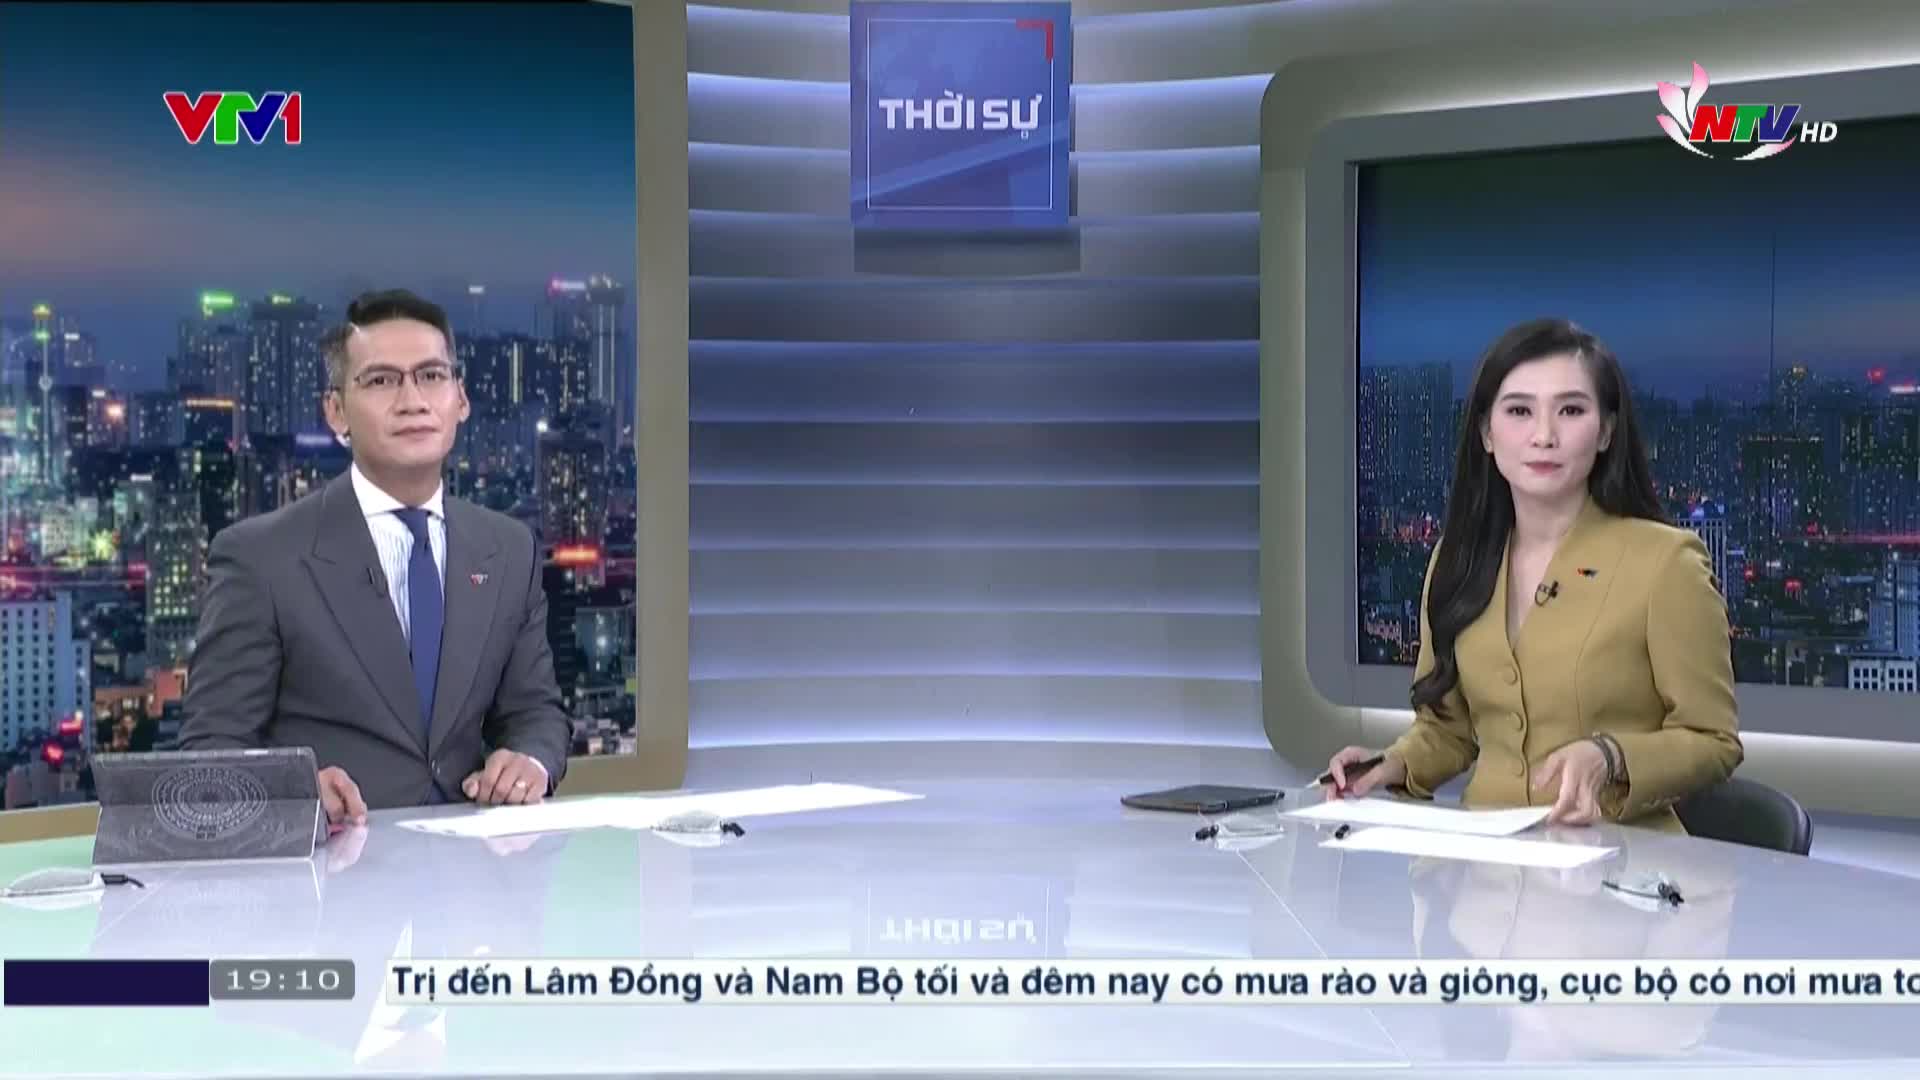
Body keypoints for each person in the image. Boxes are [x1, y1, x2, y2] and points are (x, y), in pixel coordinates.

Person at [1323, 317, 1741, 832]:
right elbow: (1449, 730)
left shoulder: (1665, 563)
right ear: (1486, 433)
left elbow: (1713, 741)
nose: (1544, 436)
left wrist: (1610, 756)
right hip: (1483, 876)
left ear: (1606, 430)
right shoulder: (1456, 559)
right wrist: (1391, 764)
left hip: (1619, 871)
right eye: (1519, 410)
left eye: (1570, 410)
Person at [180, 289, 571, 827]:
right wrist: (293, 794)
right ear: (336, 411)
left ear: (461, 399)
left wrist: (529, 761)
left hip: (476, 881)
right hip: (328, 880)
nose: (412, 400)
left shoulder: (508, 548)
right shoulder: (261, 558)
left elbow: (535, 713)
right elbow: (209, 750)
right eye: (382, 380)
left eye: (431, 376)